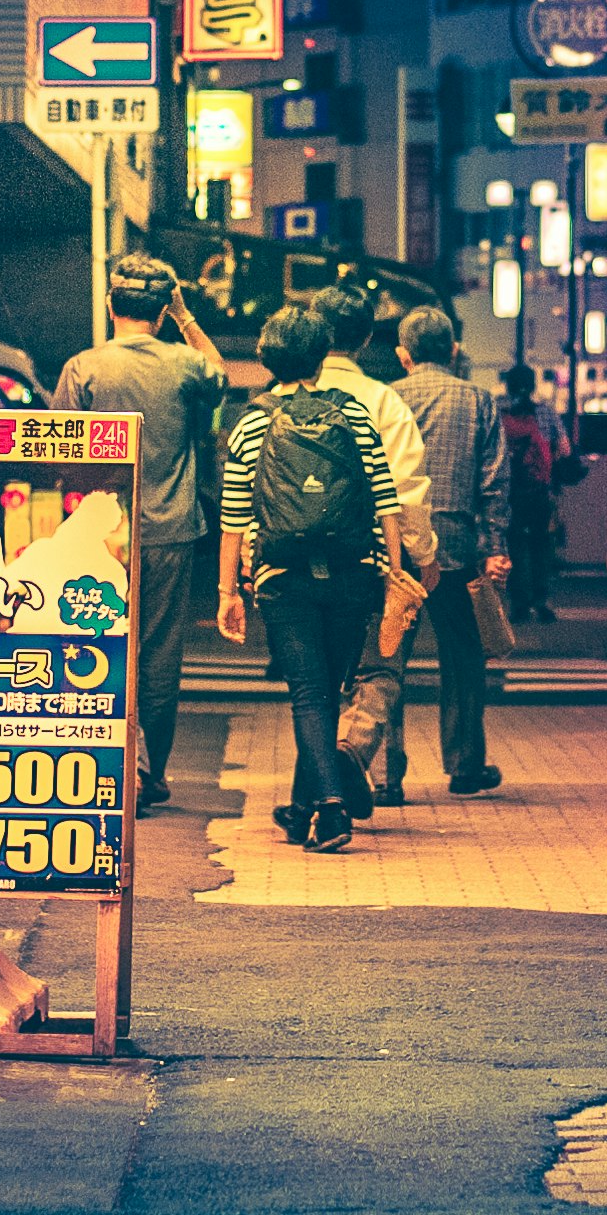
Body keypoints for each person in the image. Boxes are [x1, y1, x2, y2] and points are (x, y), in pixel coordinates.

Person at [49, 253, 232, 810]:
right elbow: (221, 378)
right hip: (171, 530)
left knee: (93, 640)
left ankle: (98, 770)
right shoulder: (185, 364)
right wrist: (188, 319)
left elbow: (59, 451)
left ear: (111, 305)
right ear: (162, 309)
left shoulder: (84, 367)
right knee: (157, 654)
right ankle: (148, 774)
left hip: (98, 533)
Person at [219, 304, 399, 852]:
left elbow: (233, 520)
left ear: (268, 356)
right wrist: (391, 574)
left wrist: (228, 592)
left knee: (308, 694)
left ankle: (329, 809)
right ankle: (303, 809)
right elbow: (386, 502)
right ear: (322, 356)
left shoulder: (252, 422)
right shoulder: (357, 415)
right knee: (329, 691)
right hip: (354, 573)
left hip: (282, 577)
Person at [366, 305, 512, 799]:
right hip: (458, 549)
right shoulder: (478, 401)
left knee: (386, 661)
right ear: (453, 350)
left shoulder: (384, 400)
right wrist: (495, 548)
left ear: (402, 355)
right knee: (465, 658)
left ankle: (385, 776)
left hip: (393, 555)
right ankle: (465, 765)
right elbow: (495, 482)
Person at [309, 282, 439, 804]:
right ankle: (355, 754)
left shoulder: (286, 397)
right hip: (373, 557)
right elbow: (409, 488)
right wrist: (422, 558)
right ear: (366, 340)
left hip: (298, 557)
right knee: (381, 663)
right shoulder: (384, 401)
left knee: (313, 680)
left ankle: (320, 786)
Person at [498, 363, 562, 620]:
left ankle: (518, 605)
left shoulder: (499, 413)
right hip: (539, 491)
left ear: (508, 385)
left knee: (514, 547)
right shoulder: (545, 412)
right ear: (533, 385)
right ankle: (541, 602)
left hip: (510, 493)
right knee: (540, 546)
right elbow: (564, 449)